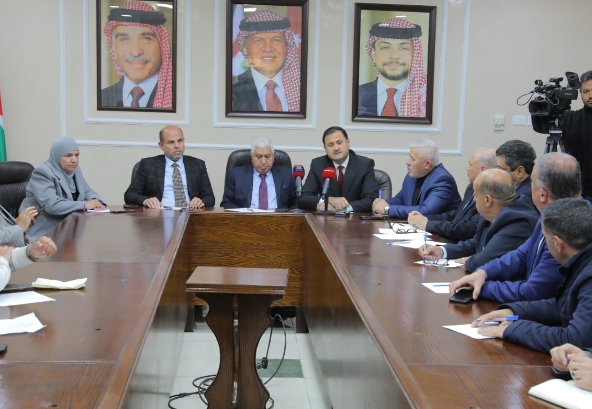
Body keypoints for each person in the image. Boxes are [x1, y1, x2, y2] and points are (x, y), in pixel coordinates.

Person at [449, 153, 581, 303]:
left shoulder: (568, 229)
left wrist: (482, 287)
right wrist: (483, 273)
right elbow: (521, 255)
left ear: (542, 194)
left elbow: (533, 292)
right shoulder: (550, 214)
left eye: (531, 183)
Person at [474, 198, 592, 354]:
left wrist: (513, 329)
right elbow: (563, 306)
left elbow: (574, 340)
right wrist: (515, 312)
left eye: (545, 238)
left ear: (557, 243)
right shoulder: (581, 260)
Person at [419, 169, 538, 272]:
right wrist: (442, 250)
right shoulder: (492, 215)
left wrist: (469, 261)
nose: (474, 200)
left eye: (475, 195)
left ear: (487, 200)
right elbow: (474, 243)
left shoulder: (518, 222)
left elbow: (484, 259)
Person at [20, 138, 105, 242]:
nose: (74, 160)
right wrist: (84, 204)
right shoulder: (42, 173)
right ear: (57, 155)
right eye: (68, 155)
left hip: (69, 226)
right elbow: (52, 205)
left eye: (77, 155)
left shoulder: (75, 170)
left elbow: (87, 191)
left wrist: (96, 201)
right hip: (46, 229)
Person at [407, 147, 496, 243]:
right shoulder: (472, 187)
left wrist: (428, 225)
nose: (467, 168)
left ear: (483, 170)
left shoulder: (490, 195)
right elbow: (457, 215)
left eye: (470, 165)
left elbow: (469, 228)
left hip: (462, 246)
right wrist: (425, 218)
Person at [532, 70, 592, 200]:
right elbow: (542, 127)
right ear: (580, 93)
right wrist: (538, 112)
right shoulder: (571, 118)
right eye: (586, 91)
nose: (590, 95)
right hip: (578, 192)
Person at [101, 1, 173, 109]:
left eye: (146, 38)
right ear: (114, 48)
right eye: (124, 39)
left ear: (161, 46)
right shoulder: (101, 98)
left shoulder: (178, 98)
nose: (135, 52)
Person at [124, 125, 215, 208]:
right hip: (158, 216)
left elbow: (210, 198)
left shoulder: (197, 165)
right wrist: (146, 201)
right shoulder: (148, 165)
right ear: (161, 145)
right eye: (171, 142)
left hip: (191, 214)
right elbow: (129, 195)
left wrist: (201, 201)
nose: (177, 146)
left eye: (180, 141)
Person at [372, 139, 461, 218]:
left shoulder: (442, 180)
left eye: (412, 159)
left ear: (427, 164)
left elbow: (426, 211)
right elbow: (401, 199)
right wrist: (381, 204)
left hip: (442, 229)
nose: (407, 162)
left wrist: (387, 209)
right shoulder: (412, 175)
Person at [232, 10, 300, 112]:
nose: (268, 49)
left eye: (276, 40)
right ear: (245, 49)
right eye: (258, 41)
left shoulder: (304, 89)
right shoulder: (231, 92)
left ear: (287, 46)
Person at [358, 17, 427, 118]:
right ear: (373, 54)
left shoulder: (428, 96)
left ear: (415, 54)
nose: (394, 56)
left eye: (404, 48)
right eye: (385, 47)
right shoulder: (356, 95)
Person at [298, 126, 377, 212]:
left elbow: (371, 199)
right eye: (330, 145)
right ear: (325, 148)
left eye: (339, 143)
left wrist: (343, 209)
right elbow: (303, 198)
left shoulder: (364, 165)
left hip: (354, 217)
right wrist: (329, 200)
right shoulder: (318, 164)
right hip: (326, 219)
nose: (336, 148)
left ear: (348, 142)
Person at [220, 137, 297, 209]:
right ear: (251, 156)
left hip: (278, 218)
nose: (263, 162)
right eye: (259, 157)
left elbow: (296, 203)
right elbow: (226, 203)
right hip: (247, 218)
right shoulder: (236, 175)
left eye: (267, 156)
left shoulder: (286, 175)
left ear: (273, 156)